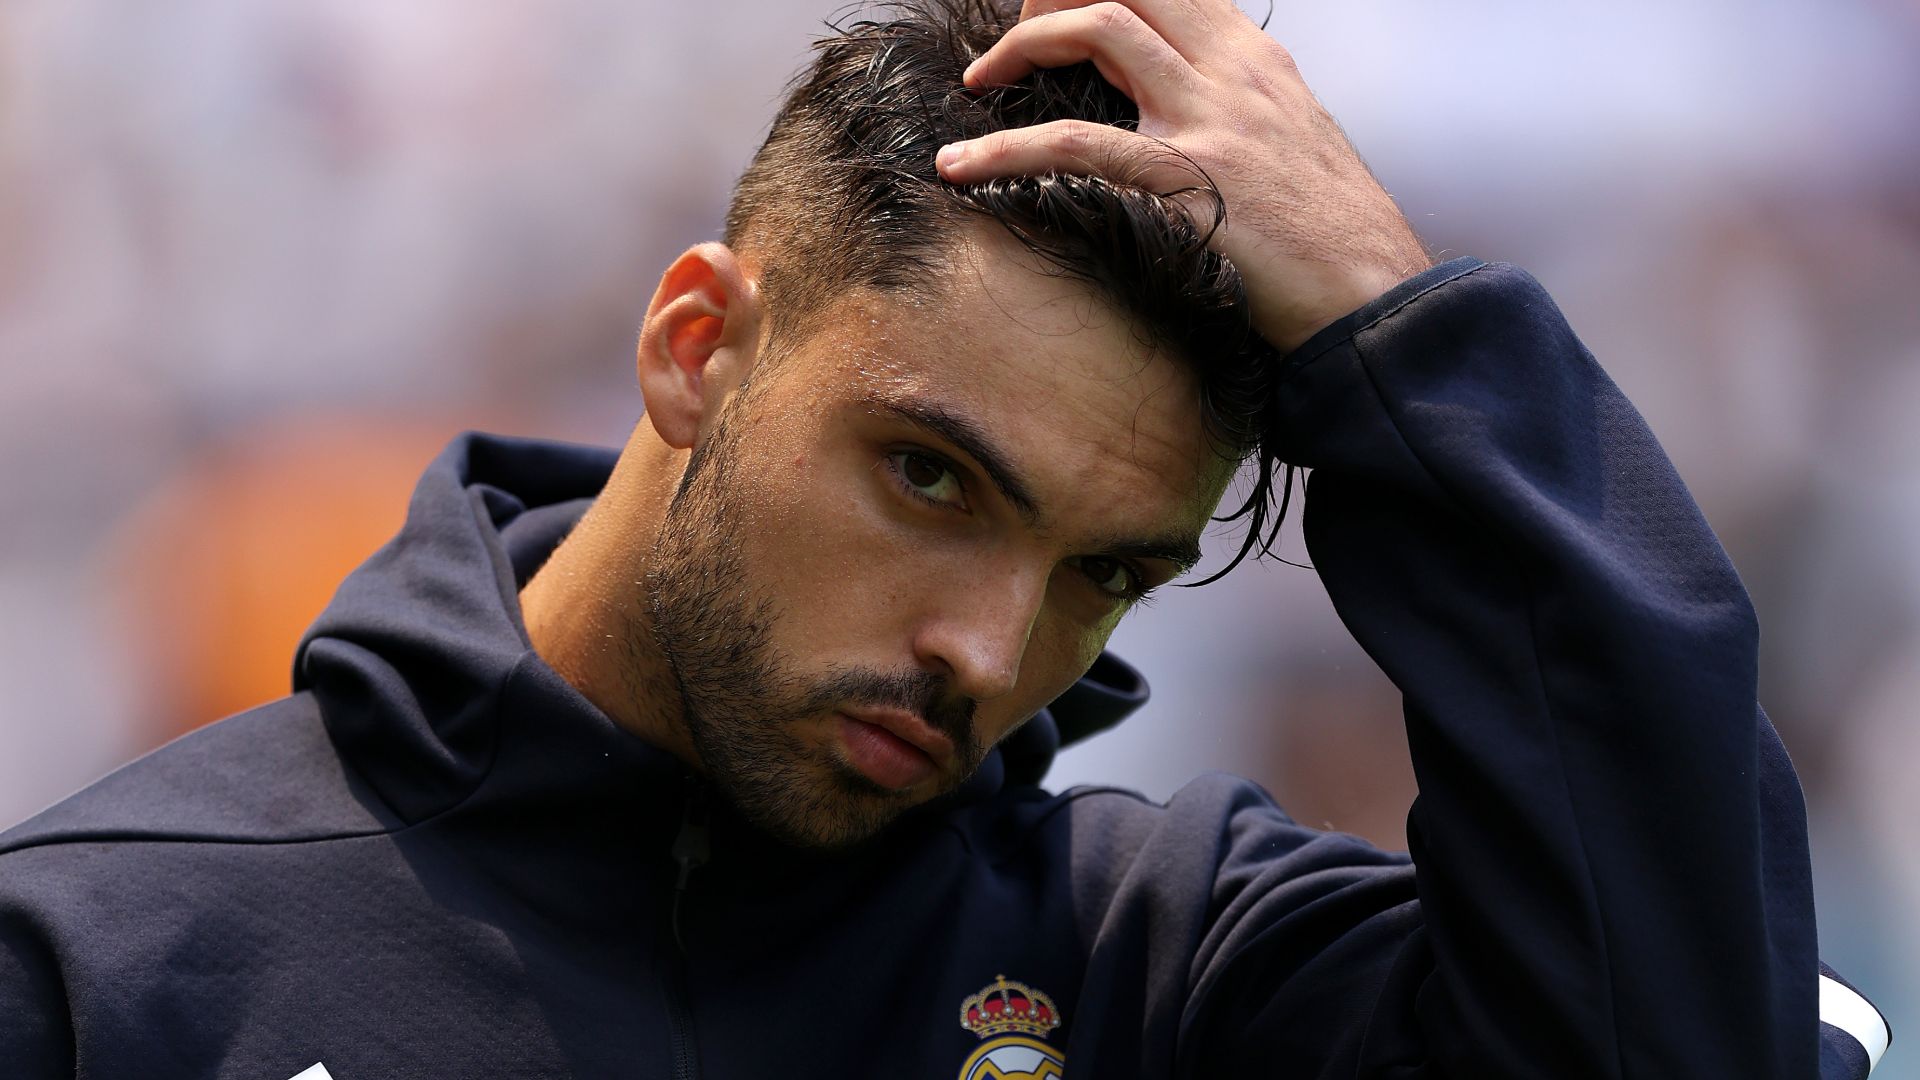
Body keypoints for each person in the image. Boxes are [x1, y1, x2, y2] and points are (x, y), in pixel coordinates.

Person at [0, 0, 1891, 1076]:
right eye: (930, 476)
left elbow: (1684, 1036)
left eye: (1106, 573)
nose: (988, 653)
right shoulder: (108, 958)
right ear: (697, 347)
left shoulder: (1166, 969)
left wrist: (1420, 337)